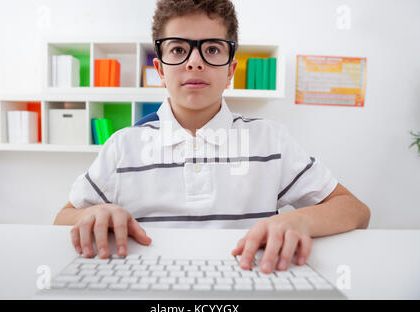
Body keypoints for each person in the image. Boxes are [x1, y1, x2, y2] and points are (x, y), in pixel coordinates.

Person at [54, 0, 370, 274]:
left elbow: (355, 210)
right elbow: (62, 219)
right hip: (147, 287)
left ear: (230, 70)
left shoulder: (270, 141)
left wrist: (301, 221)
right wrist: (94, 214)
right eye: (178, 49)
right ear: (160, 70)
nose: (194, 61)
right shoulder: (122, 147)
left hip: (250, 279)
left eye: (212, 49)